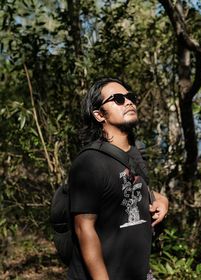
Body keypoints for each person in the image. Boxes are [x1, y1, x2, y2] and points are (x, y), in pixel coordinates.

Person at [67, 77, 169, 280]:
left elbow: (132, 190)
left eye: (130, 97)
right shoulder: (90, 162)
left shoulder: (133, 154)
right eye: (118, 99)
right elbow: (83, 228)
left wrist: (162, 200)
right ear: (98, 115)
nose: (129, 102)